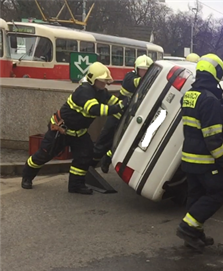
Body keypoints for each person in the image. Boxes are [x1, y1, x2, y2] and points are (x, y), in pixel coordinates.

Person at [22, 62, 124, 194]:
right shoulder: (84, 91)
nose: (104, 84)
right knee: (44, 154)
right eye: (102, 81)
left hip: (78, 133)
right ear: (93, 79)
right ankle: (27, 176)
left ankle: (75, 186)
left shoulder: (100, 91)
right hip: (60, 130)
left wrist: (125, 103)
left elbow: (113, 101)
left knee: (84, 157)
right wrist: (118, 108)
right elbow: (94, 109)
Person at [177, 53, 223, 251]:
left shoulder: (189, 95)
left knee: (196, 194)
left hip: (188, 157)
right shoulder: (210, 100)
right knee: (217, 194)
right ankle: (187, 227)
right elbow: (212, 136)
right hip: (205, 160)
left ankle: (194, 234)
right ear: (215, 73)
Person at [93, 55, 153, 173]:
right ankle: (91, 163)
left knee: (121, 142)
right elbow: (138, 83)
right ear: (136, 69)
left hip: (131, 118)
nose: (144, 72)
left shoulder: (149, 82)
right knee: (104, 139)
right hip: (117, 115)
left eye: (147, 70)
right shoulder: (129, 77)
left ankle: (107, 159)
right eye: (142, 70)